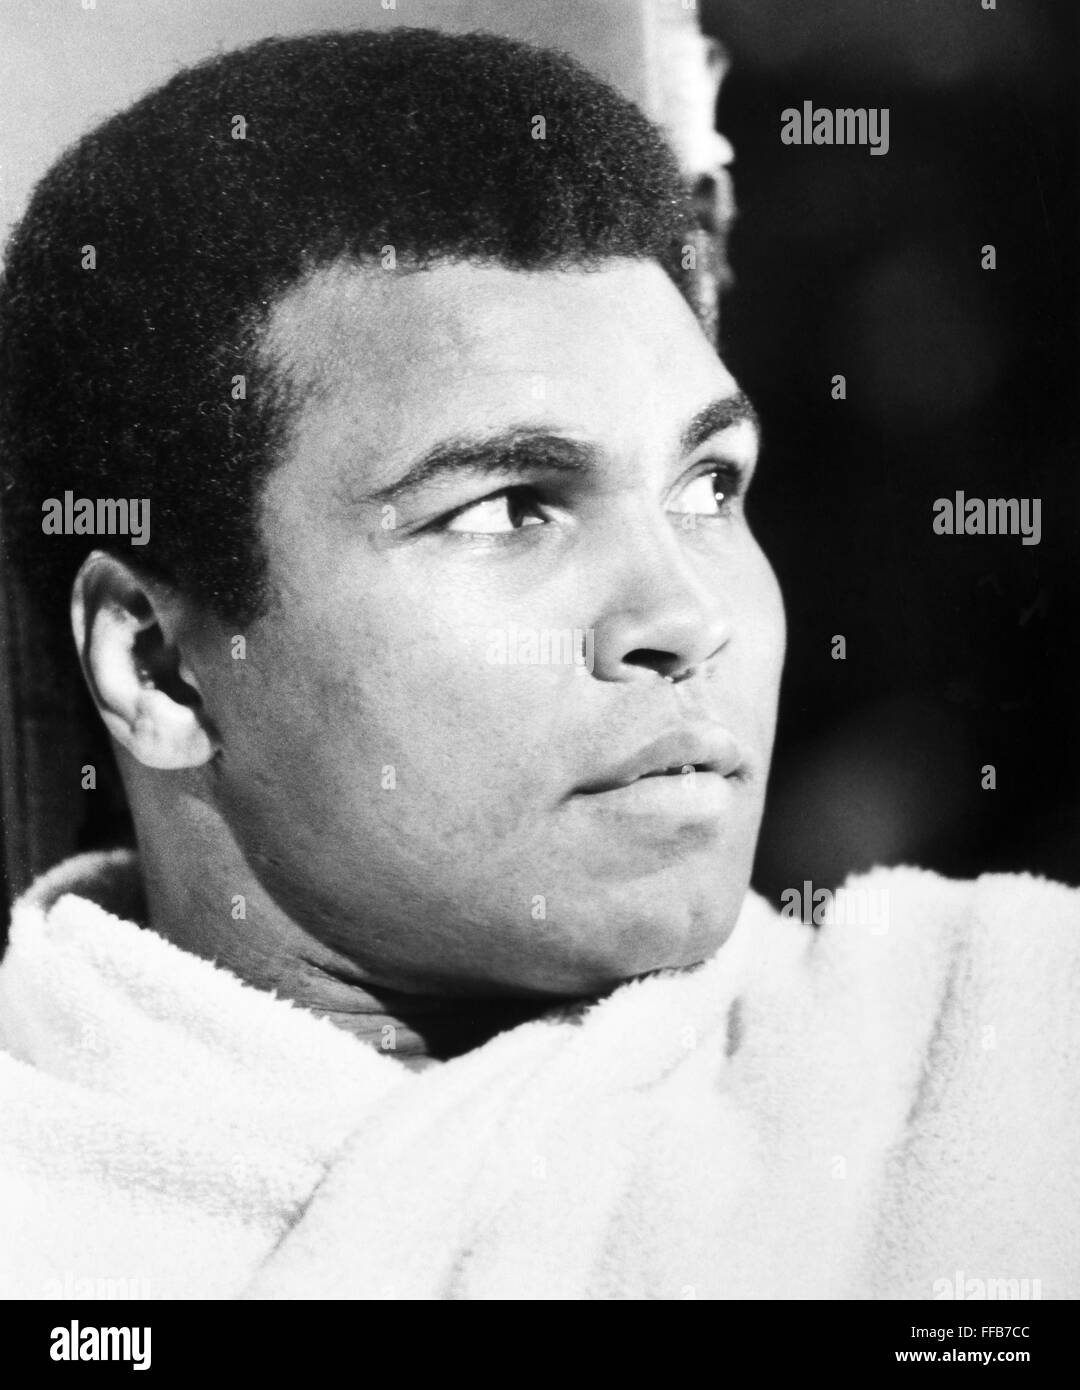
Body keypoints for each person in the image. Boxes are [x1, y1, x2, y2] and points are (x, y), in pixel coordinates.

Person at [0, 27, 1076, 1301]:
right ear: (160, 667)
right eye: (510, 508)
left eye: (707, 484)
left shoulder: (1007, 1041)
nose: (687, 615)